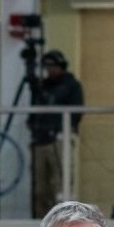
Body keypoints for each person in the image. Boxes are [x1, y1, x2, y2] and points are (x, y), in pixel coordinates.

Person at [29, 51, 84, 217]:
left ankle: (62, 221)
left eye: (53, 67)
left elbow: (76, 112)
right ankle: (40, 221)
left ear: (61, 67)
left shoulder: (71, 85)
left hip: (59, 139)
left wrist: (65, 130)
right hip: (40, 140)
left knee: (61, 185)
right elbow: (34, 110)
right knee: (40, 188)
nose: (50, 70)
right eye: (47, 67)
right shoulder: (42, 86)